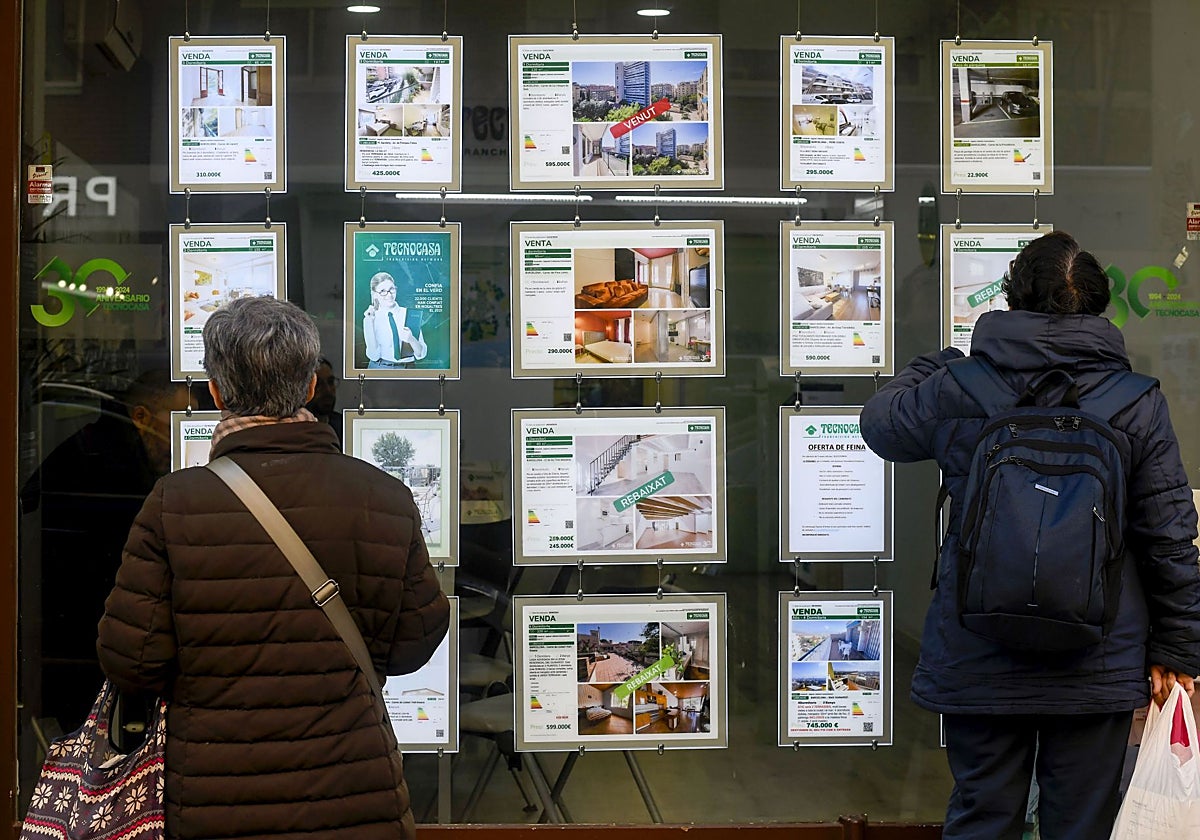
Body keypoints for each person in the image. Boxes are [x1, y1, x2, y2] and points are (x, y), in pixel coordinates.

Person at [859, 231, 1200, 840]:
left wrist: (932, 363)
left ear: (1012, 298)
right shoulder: (1135, 403)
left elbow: (882, 424)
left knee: (983, 817)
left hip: (979, 647)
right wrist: (1175, 648)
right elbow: (1169, 534)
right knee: (1080, 824)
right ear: (1097, 305)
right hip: (1096, 653)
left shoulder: (960, 385)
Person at [97, 297, 450, 840]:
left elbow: (132, 661)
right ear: (311, 387)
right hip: (357, 798)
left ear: (215, 392)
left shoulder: (174, 504)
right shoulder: (384, 496)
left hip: (219, 799)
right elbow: (413, 643)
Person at [21, 373, 191, 728]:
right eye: (174, 421)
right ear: (141, 417)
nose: (179, 438)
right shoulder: (106, 465)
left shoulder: (98, 449)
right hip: (84, 642)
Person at [363, 271, 427, 368]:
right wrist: (369, 323)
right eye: (383, 291)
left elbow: (421, 354)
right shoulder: (370, 318)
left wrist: (411, 339)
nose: (389, 295)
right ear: (375, 294)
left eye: (391, 289)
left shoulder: (409, 314)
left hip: (408, 369)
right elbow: (374, 355)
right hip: (380, 368)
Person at [305, 355, 342, 444]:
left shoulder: (343, 426)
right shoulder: (295, 429)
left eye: (330, 382)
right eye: (318, 384)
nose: (327, 390)